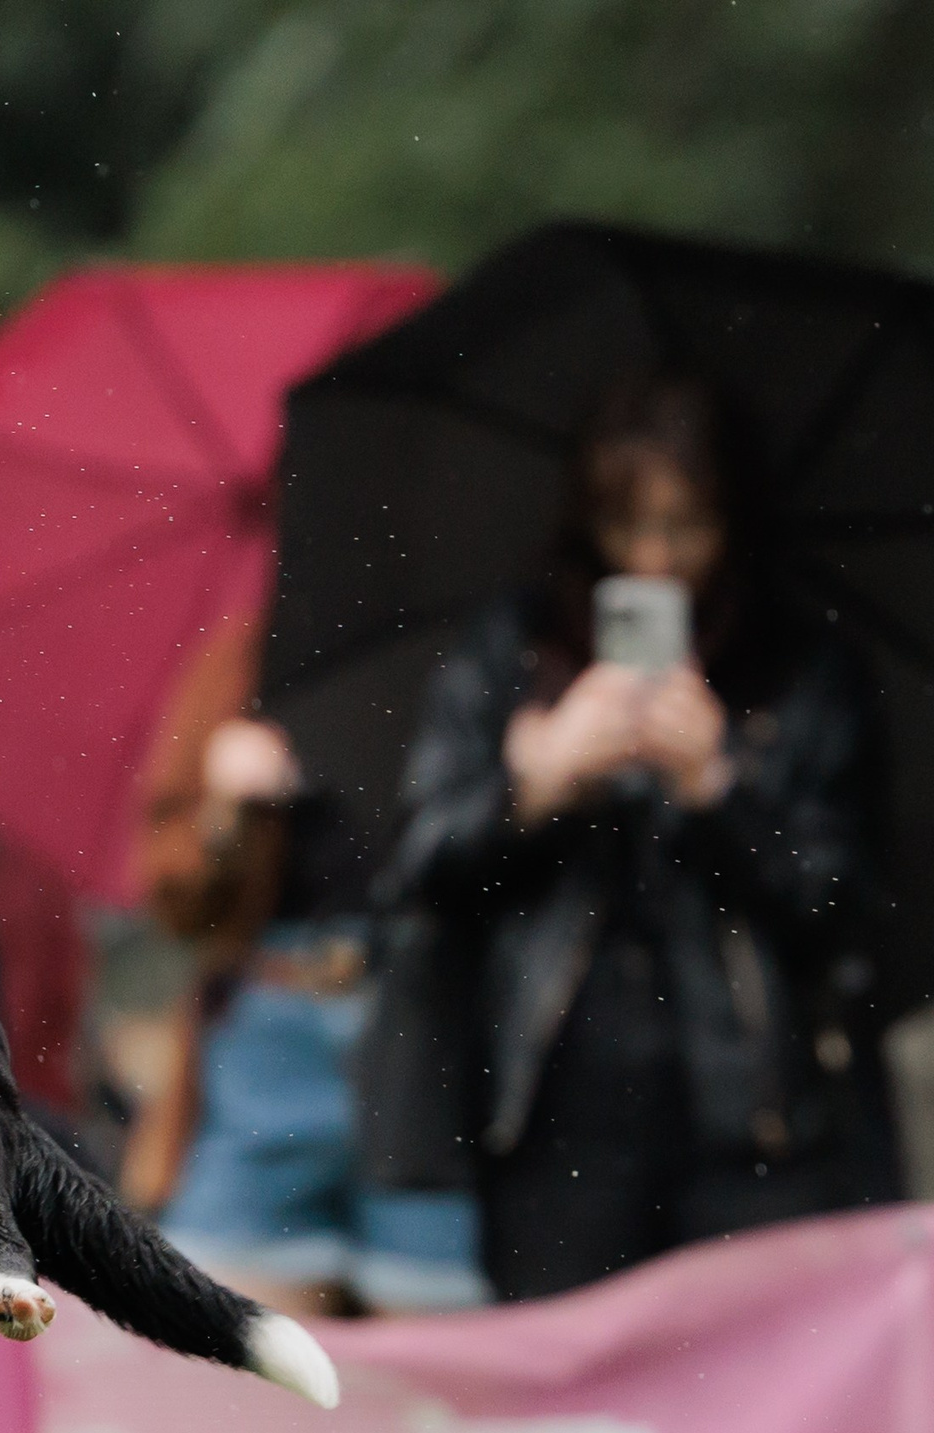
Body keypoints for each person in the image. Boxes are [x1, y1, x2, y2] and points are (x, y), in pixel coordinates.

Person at [376, 376, 899, 1302]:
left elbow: (851, 909)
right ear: (588, 523)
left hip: (756, 1120)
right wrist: (534, 786)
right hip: (552, 1114)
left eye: (687, 526)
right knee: (577, 1417)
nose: (655, 560)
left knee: (757, 1407)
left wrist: (719, 787)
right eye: (628, 527)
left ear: (735, 523)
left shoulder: (804, 669)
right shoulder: (517, 650)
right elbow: (418, 872)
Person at [126, 715, 488, 1316]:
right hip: (283, 1044)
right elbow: (177, 902)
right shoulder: (259, 666)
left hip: (418, 1037)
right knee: (220, 1344)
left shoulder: (496, 663)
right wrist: (223, 809)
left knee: (438, 1363)